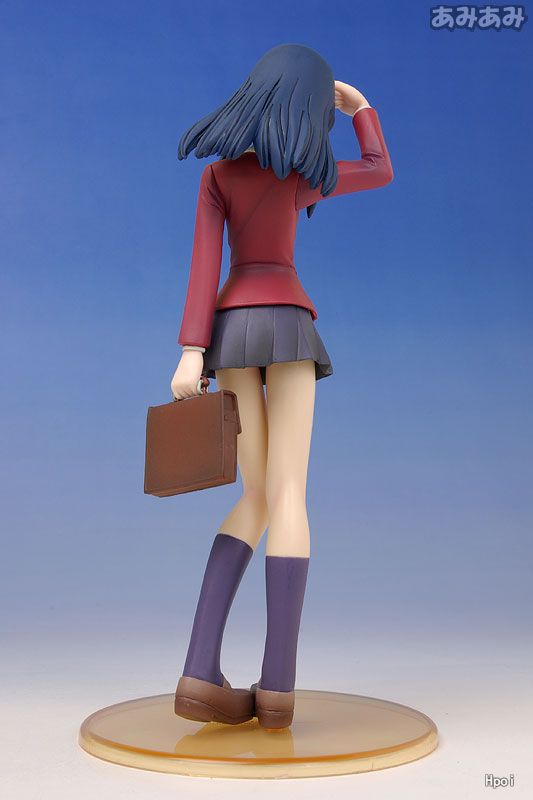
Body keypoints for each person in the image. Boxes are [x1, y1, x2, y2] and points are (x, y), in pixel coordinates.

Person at [171, 43, 393, 729]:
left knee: (255, 494)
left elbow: (203, 266)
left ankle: (198, 669)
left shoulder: (217, 176)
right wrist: (360, 109)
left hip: (233, 333)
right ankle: (278, 687)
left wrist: (191, 352)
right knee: (290, 492)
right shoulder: (302, 177)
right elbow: (380, 169)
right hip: (290, 326)